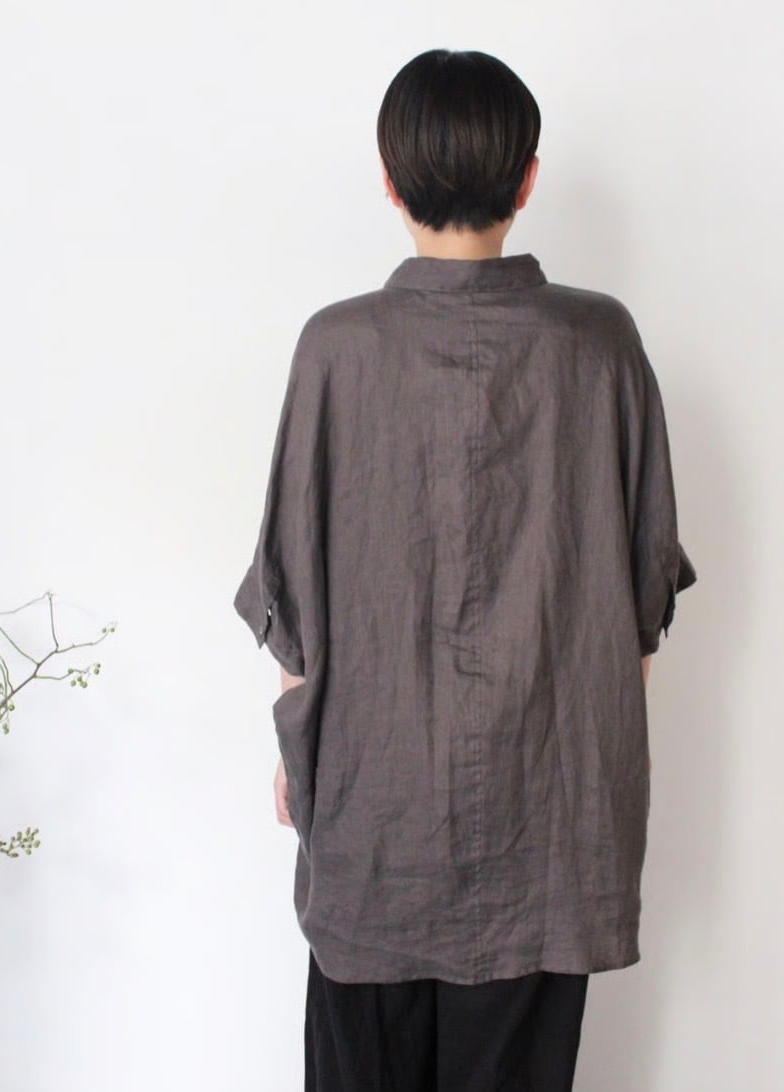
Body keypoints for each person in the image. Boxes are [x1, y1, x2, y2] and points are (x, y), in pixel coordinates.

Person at [233, 47, 698, 1092]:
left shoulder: (335, 348)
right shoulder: (601, 343)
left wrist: (300, 756)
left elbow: (291, 599)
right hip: (551, 819)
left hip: (373, 814)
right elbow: (639, 607)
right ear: (527, 179)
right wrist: (589, 766)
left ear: (388, 179)